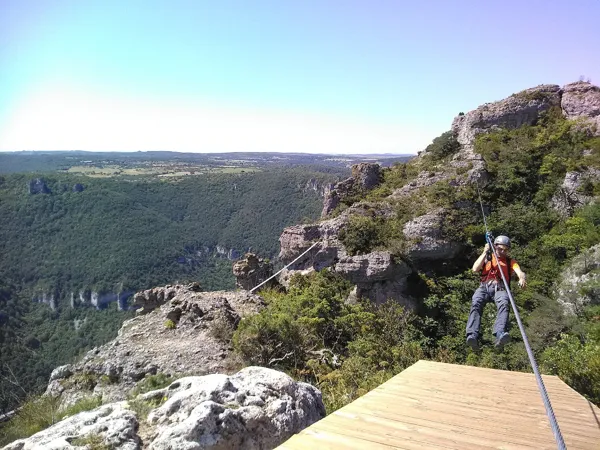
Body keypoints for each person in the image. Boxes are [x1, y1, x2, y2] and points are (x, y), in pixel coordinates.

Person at [466, 235, 527, 351]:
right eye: (500, 249)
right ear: (495, 247)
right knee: (476, 302)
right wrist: (485, 252)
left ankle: (499, 333)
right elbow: (475, 269)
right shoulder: (488, 257)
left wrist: (522, 278)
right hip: (484, 286)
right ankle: (472, 335)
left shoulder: (510, 262)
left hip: (500, 288)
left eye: (505, 250)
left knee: (504, 303)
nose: (502, 252)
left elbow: (520, 272)